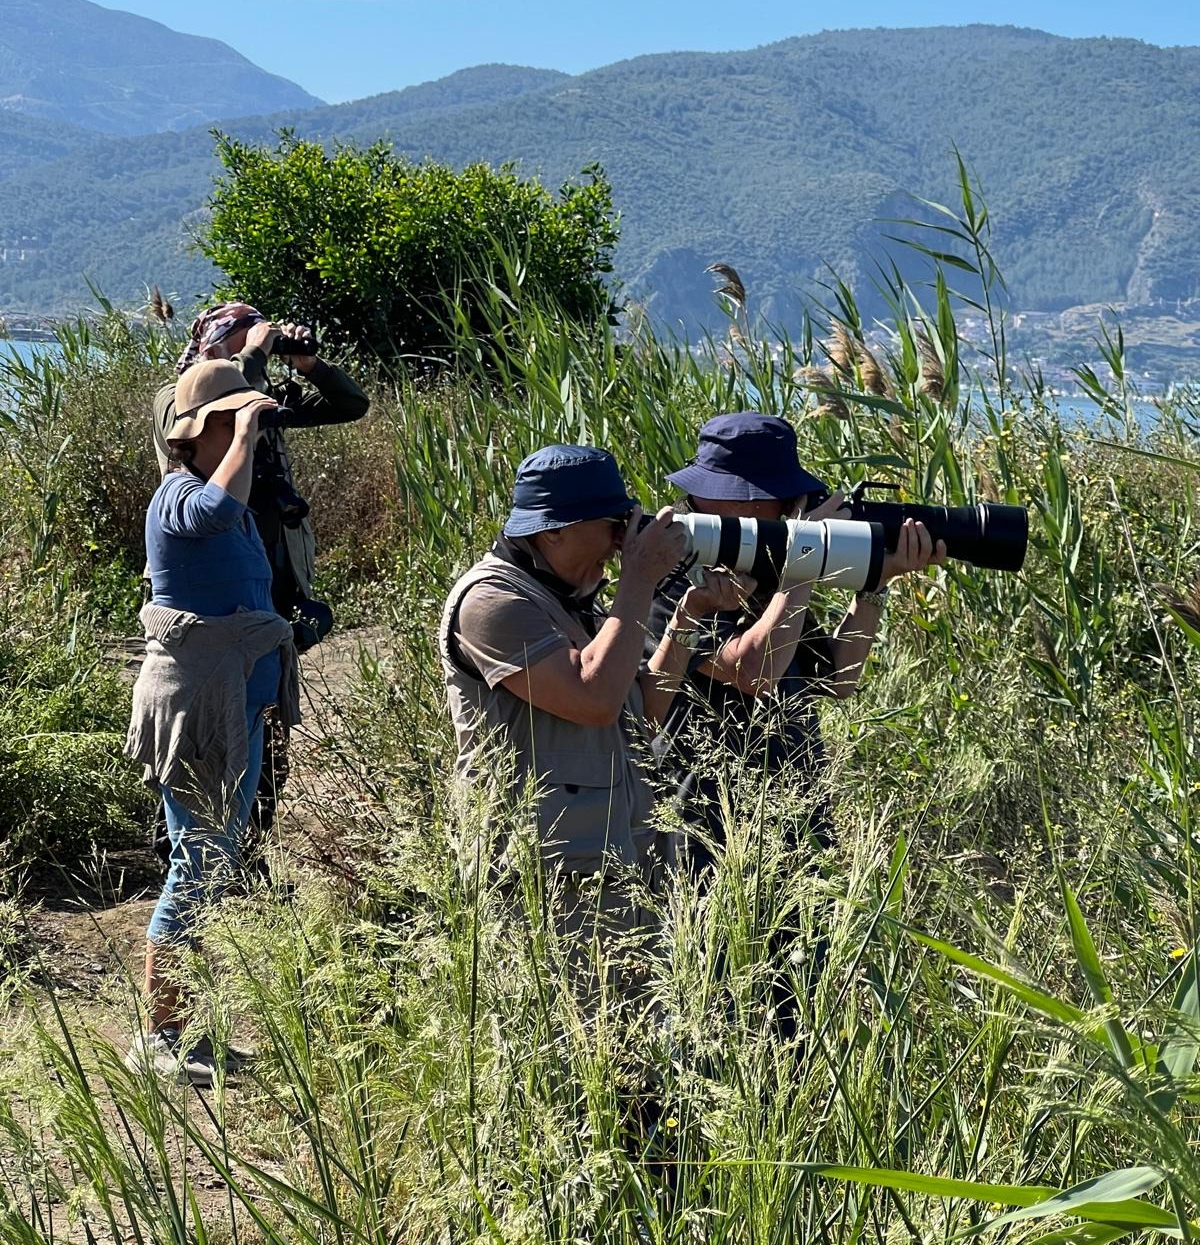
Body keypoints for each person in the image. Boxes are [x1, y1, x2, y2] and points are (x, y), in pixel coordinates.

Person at [648, 412, 945, 1030]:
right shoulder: (676, 571)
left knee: (795, 1005)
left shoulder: (770, 569)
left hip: (792, 813)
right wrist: (808, 559)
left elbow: (838, 677)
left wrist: (874, 584)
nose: (788, 513)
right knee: (714, 1002)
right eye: (778, 503)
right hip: (710, 822)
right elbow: (753, 670)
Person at [439, 444, 744, 960]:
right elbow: (594, 699)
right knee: (557, 1035)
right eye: (612, 524)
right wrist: (638, 581)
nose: (621, 542)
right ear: (552, 529)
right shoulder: (491, 603)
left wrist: (691, 614)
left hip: (617, 858)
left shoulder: (571, 599)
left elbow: (640, 709)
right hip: (544, 876)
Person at [125, 361, 301, 1085]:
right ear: (194, 436)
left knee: (210, 861)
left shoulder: (210, 488)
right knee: (195, 865)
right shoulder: (178, 495)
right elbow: (215, 516)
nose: (248, 436)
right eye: (231, 424)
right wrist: (246, 433)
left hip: (233, 704)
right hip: (200, 706)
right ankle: (162, 1038)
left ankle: (187, 1028)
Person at [151, 301, 369, 849]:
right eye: (243, 340)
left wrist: (308, 364)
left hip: (270, 570)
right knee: (208, 727)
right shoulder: (177, 402)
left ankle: (246, 845)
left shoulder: (259, 398)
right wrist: (251, 356)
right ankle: (188, 849)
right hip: (214, 586)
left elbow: (351, 405)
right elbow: (212, 496)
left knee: (263, 717)